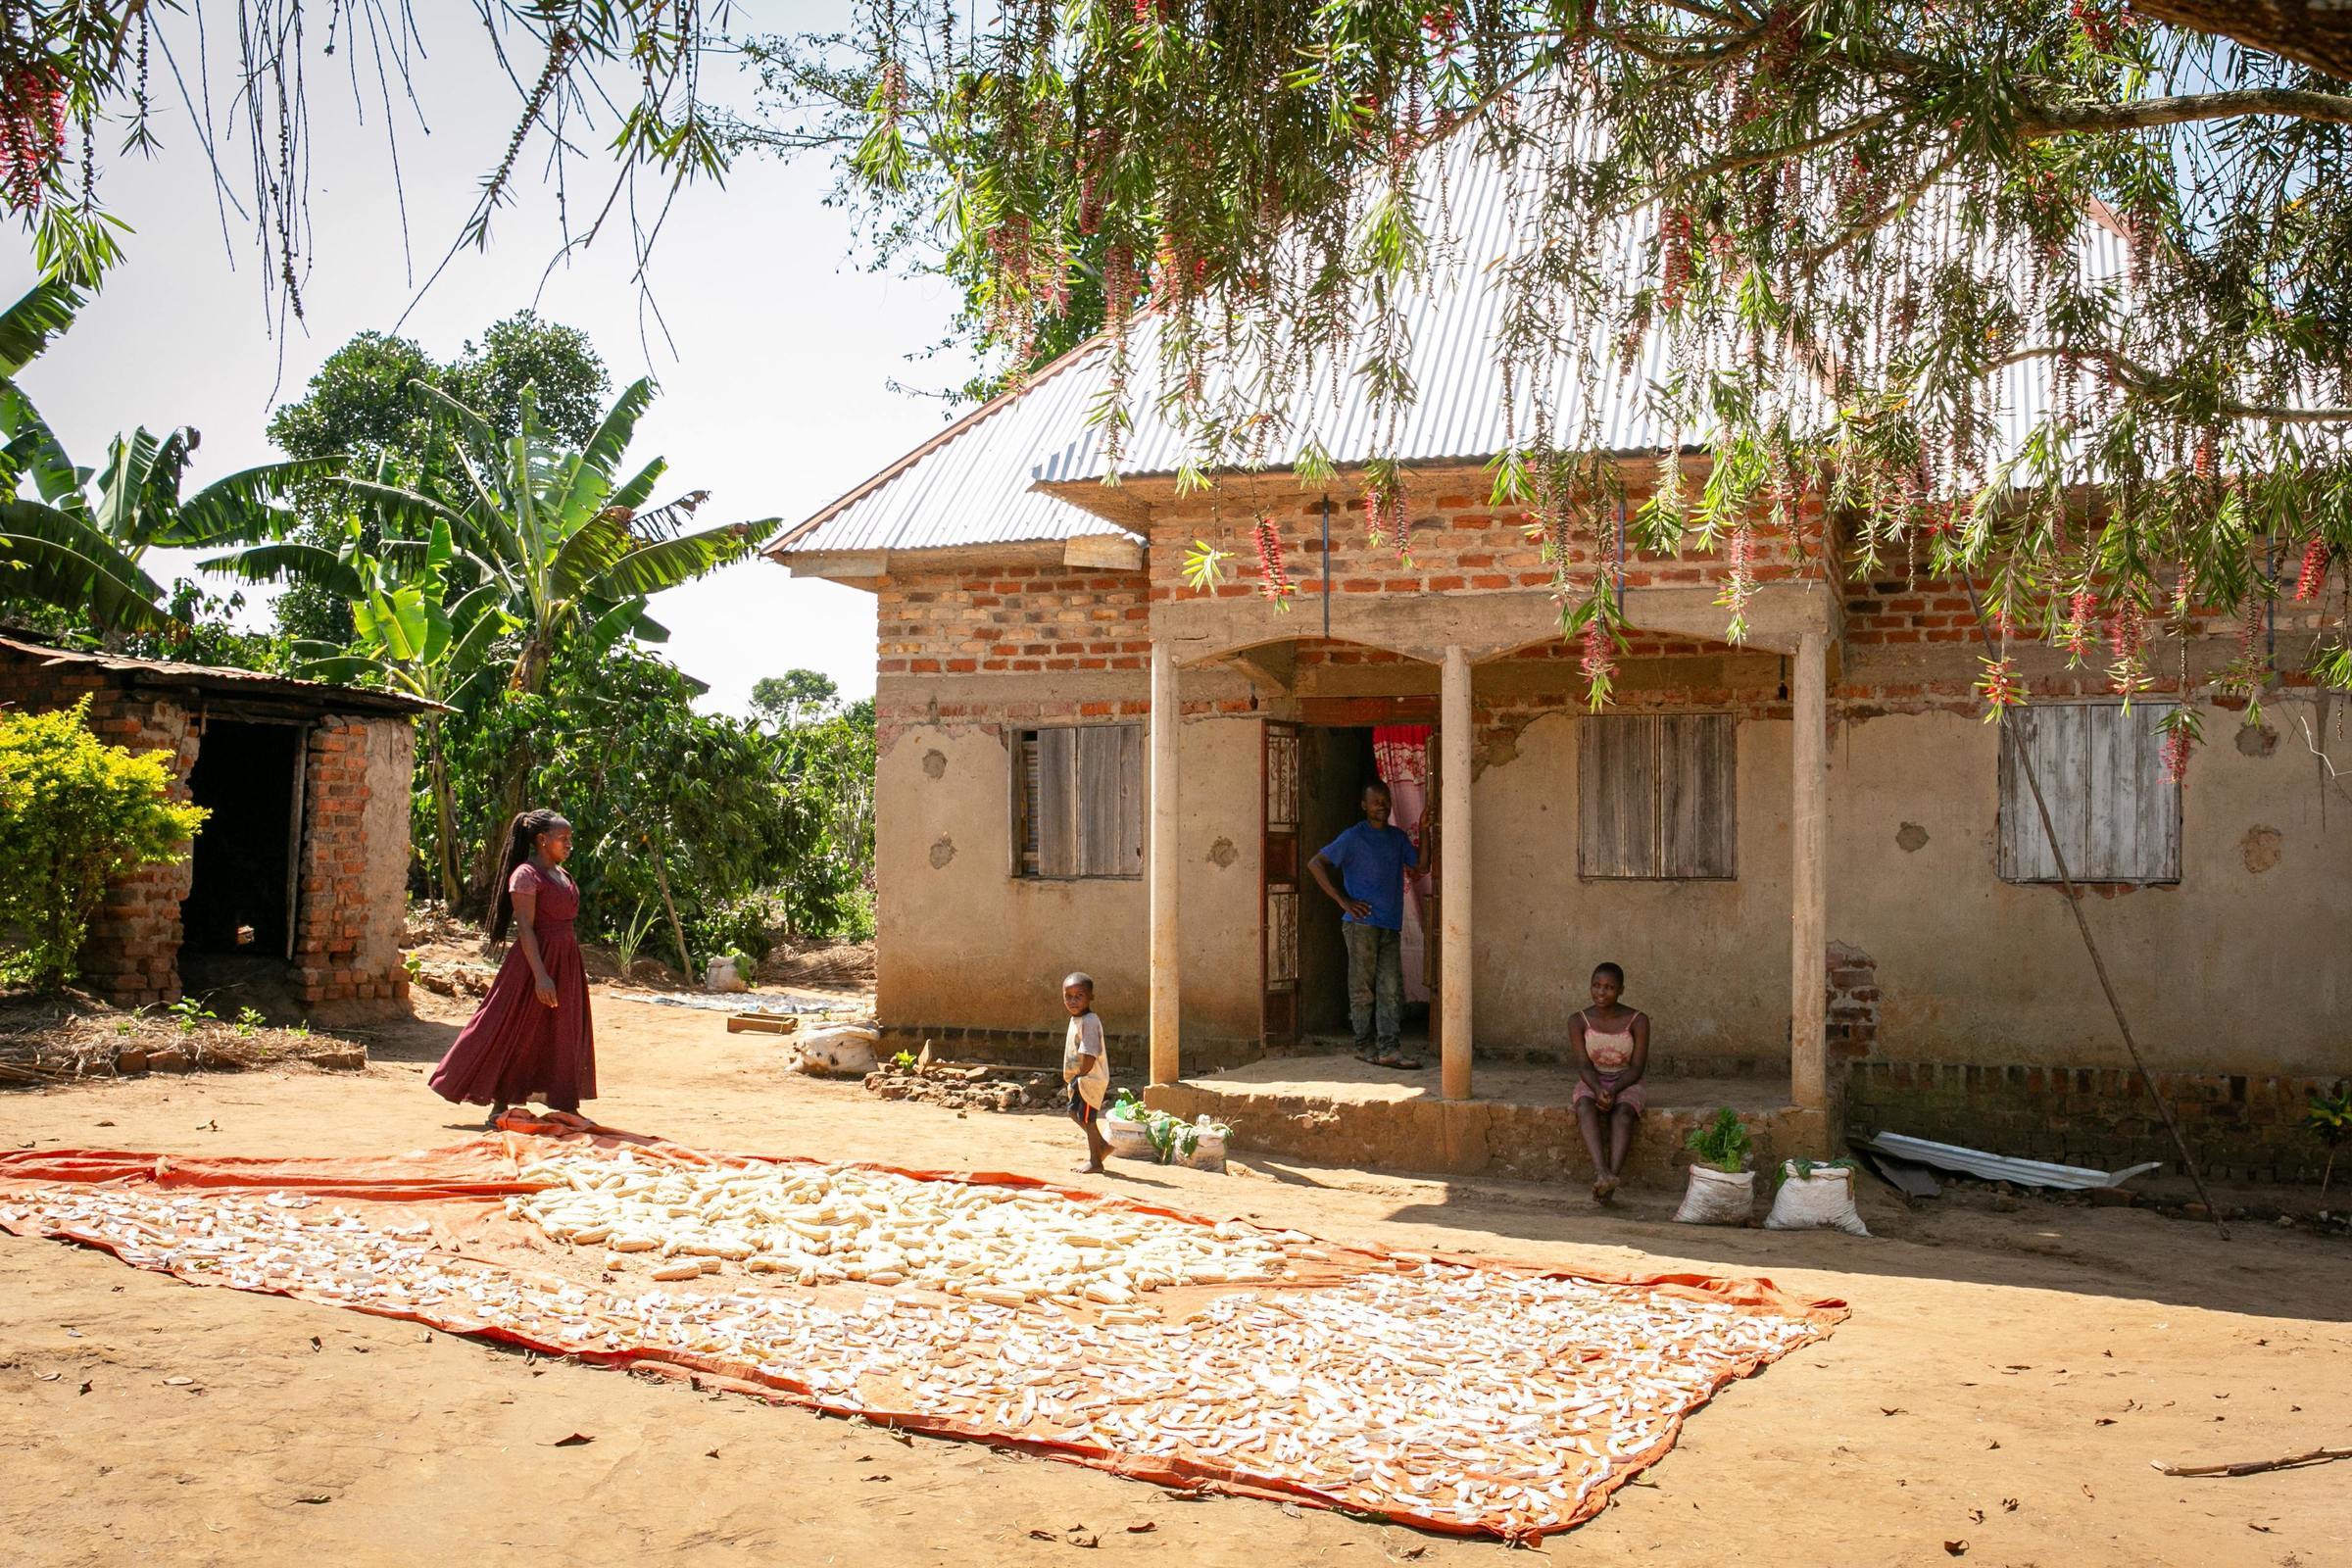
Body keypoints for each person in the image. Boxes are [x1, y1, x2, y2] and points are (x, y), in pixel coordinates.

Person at [428, 809, 596, 1128]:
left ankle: (566, 1106)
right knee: (514, 1028)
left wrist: (568, 970)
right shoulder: (526, 875)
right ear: (542, 840)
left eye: (570, 838)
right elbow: (526, 928)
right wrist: (541, 975)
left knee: (561, 1031)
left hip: (566, 962)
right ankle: (499, 1104)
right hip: (534, 964)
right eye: (564, 838)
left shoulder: (561, 875)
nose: (569, 844)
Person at [1309, 779, 1425, 1070]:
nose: (1382, 806)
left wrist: (1425, 829)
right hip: (1361, 925)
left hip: (1389, 924)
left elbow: (1421, 867)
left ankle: (1389, 1048)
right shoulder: (1352, 837)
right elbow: (1315, 863)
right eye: (1375, 801)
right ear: (1364, 806)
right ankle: (1363, 1046)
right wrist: (1343, 901)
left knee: (1390, 988)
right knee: (1362, 989)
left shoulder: (1397, 838)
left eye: (1385, 801)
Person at [1570, 961, 1649, 1204]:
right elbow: (1584, 1065)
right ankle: (1602, 1172)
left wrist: (1614, 1089)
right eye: (1596, 985)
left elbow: (1637, 1067)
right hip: (1593, 1078)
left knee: (1623, 1113)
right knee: (1584, 1106)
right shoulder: (1578, 1020)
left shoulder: (1638, 1020)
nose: (1601, 992)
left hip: (1626, 1079)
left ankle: (1611, 1181)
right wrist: (1597, 1088)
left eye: (1609, 987)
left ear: (1621, 990)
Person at [1059, 972, 1110, 1173]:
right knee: (1074, 1113)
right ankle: (1102, 1146)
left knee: (1088, 1119)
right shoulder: (1076, 1019)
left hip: (1090, 1079)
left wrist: (1080, 1076)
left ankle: (1096, 1161)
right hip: (1080, 1078)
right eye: (1068, 996)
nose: (1072, 1001)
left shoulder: (1089, 1021)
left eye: (1078, 996)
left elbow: (1089, 1054)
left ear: (1091, 997)